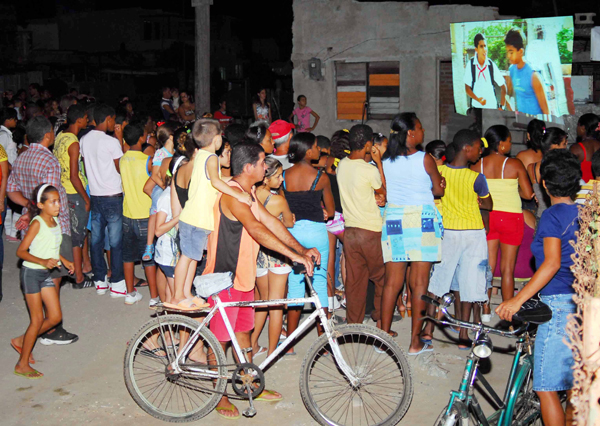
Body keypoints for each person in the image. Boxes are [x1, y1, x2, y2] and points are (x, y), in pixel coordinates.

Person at [202, 142, 318, 419]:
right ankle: (218, 396)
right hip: (224, 278)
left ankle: (249, 384)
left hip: (244, 278)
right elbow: (254, 228)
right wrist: (292, 256)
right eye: (263, 162)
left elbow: (271, 222)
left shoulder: (249, 192)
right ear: (248, 167)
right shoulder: (232, 195)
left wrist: (301, 250)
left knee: (243, 335)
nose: (266, 166)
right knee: (219, 341)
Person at [496, 149, 580, 426]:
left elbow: (551, 263)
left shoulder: (553, 216)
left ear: (544, 184)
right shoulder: (586, 212)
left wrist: (516, 300)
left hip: (559, 306)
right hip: (583, 303)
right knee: (573, 384)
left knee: (545, 387)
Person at [8, 116, 78, 344]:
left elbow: (11, 191)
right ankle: (50, 328)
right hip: (54, 226)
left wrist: (29, 210)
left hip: (36, 224)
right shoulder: (49, 161)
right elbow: (50, 197)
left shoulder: (20, 158)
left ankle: (44, 324)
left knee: (42, 270)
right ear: (48, 135)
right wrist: (37, 211)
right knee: (53, 277)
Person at [170, 119, 251, 309]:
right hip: (195, 217)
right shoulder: (212, 157)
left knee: (192, 257)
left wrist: (235, 179)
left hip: (196, 217)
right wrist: (239, 195)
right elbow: (216, 182)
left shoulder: (200, 156)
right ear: (217, 140)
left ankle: (186, 293)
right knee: (186, 258)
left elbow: (215, 179)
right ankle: (176, 296)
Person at [380, 113, 444, 354]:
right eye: (420, 127)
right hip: (422, 220)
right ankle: (415, 342)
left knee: (392, 283)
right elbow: (438, 189)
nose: (423, 130)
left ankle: (382, 337)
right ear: (410, 133)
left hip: (395, 218)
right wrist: (441, 183)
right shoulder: (425, 159)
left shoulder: (387, 159)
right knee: (419, 284)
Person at [424, 129, 492, 349]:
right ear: (467, 148)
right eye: (478, 149)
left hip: (449, 232)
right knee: (469, 283)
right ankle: (464, 334)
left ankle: (427, 330)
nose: (480, 153)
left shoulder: (439, 171)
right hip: (473, 233)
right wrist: (479, 202)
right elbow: (489, 204)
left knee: (437, 281)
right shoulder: (476, 178)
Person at [471, 125, 534, 321]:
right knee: (508, 268)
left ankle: (486, 309)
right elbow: (526, 194)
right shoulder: (514, 164)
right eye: (508, 140)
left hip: (488, 217)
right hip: (511, 218)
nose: (510, 143)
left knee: (487, 267)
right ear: (501, 144)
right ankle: (509, 313)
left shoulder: (477, 165)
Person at [12, 184, 75, 379]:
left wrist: (64, 261)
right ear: (41, 205)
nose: (58, 205)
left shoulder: (55, 221)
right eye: (53, 202)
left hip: (46, 274)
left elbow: (52, 248)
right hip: (31, 274)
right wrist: (43, 261)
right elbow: (20, 251)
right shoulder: (37, 223)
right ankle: (22, 364)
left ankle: (22, 340)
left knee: (55, 317)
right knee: (37, 319)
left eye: (59, 201)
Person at [282, 132, 335, 355]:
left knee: (295, 286)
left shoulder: (283, 176)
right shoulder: (320, 177)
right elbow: (331, 211)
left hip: (293, 235)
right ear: (308, 151)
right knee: (320, 283)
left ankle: (291, 343)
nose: (318, 150)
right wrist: (323, 213)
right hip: (316, 233)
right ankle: (323, 344)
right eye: (315, 146)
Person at [337, 124, 386, 325]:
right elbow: (383, 192)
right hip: (370, 230)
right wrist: (379, 163)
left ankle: (353, 323)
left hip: (350, 231)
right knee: (383, 278)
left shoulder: (342, 165)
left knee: (355, 282)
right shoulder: (369, 169)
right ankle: (381, 317)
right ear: (368, 145)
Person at [80, 104, 126, 297]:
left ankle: (100, 280)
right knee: (115, 242)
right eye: (113, 120)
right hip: (113, 196)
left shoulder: (83, 140)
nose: (114, 124)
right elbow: (120, 167)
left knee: (96, 240)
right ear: (108, 119)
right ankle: (117, 283)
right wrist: (120, 138)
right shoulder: (111, 142)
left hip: (96, 195)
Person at [250, 157, 294, 357]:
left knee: (261, 302)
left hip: (257, 253)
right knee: (276, 305)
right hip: (276, 254)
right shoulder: (277, 200)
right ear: (266, 178)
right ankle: (272, 353)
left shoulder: (250, 195)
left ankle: (252, 345)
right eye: (277, 176)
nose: (282, 179)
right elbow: (289, 223)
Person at [53, 103, 93, 289]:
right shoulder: (74, 143)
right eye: (85, 117)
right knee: (77, 238)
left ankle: (84, 267)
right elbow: (74, 176)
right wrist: (85, 198)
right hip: (73, 192)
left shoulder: (61, 136)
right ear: (79, 120)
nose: (87, 120)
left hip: (63, 191)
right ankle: (78, 278)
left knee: (76, 233)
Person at [120, 123, 159, 306]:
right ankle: (154, 297)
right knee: (148, 258)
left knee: (128, 257)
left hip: (127, 214)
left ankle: (130, 293)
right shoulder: (146, 160)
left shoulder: (122, 159)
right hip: (145, 215)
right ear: (142, 138)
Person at [324, 130, 351, 309]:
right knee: (349, 257)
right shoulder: (349, 164)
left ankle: (331, 300)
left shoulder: (327, 161)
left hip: (329, 215)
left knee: (329, 257)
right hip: (343, 215)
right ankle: (349, 297)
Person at [142, 123, 176, 262]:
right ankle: (149, 245)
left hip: (168, 188)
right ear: (171, 137)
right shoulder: (161, 153)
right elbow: (155, 175)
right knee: (154, 213)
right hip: (161, 187)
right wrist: (164, 188)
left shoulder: (174, 152)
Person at [505, 28, 549, 115]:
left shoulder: (534, 76)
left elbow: (546, 111)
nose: (508, 56)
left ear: (520, 51)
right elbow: (508, 94)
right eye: (507, 52)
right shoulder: (512, 70)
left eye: (511, 52)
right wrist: (510, 107)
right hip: (521, 122)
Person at [527, 128, 568, 219]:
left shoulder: (532, 167)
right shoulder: (562, 168)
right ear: (555, 146)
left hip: (541, 217)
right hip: (559, 218)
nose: (566, 147)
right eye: (564, 144)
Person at [463, 33, 508, 110]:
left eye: (485, 46)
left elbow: (503, 87)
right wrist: (478, 99)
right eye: (481, 46)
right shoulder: (471, 65)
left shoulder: (491, 65)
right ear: (476, 49)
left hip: (492, 108)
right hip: (476, 108)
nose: (484, 49)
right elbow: (467, 89)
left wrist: (501, 107)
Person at [570, 113, 600, 183]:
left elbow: (570, 172)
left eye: (578, 125)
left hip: (583, 190)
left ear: (583, 128)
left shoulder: (576, 148)